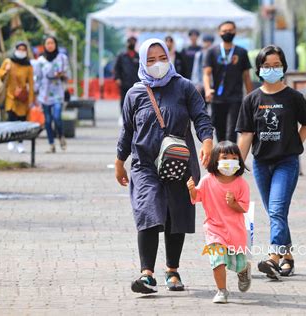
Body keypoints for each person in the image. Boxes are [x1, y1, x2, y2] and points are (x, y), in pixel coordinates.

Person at [115, 38, 213, 294]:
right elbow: (127, 131)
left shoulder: (184, 87)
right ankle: (146, 274)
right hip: (144, 163)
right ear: (142, 62)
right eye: (150, 59)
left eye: (161, 58)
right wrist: (119, 163)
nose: (157, 64)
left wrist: (207, 141)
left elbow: (201, 117)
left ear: (169, 58)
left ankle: (172, 270)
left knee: (174, 214)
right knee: (148, 210)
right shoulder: (134, 93)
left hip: (179, 161)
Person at [236, 45, 306, 279]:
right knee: (275, 214)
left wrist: (295, 145)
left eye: (276, 65)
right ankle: (288, 257)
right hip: (261, 164)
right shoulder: (252, 100)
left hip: (286, 163)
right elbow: (247, 135)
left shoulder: (294, 98)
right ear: (259, 69)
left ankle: (272, 258)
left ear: (283, 67)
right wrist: (236, 166)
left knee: (277, 210)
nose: (271, 69)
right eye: (267, 66)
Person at [187, 141, 251, 303]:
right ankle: (222, 291)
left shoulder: (241, 183)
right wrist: (192, 190)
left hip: (235, 231)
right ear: (216, 159)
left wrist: (233, 203)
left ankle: (244, 270)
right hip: (214, 230)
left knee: (238, 263)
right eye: (225, 157)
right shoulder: (208, 180)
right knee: (217, 261)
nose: (229, 161)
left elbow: (244, 208)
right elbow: (197, 198)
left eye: (234, 157)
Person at [203, 21, 253, 143]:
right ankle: (222, 158)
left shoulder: (241, 52)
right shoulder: (212, 52)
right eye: (224, 31)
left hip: (235, 98)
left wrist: (251, 96)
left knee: (232, 132)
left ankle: (232, 159)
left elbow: (246, 76)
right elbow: (207, 74)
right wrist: (208, 89)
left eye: (230, 30)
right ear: (219, 33)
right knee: (219, 131)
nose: (227, 33)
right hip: (217, 98)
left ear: (235, 31)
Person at [0, 42, 35, 154]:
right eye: (19, 49)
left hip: (22, 98)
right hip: (10, 95)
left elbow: (31, 84)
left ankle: (20, 143)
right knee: (11, 118)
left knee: (21, 121)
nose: (21, 51)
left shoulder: (28, 66)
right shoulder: (8, 61)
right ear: (15, 49)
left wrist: (31, 100)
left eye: (24, 49)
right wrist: (6, 70)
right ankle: (11, 140)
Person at [34, 36, 69, 153]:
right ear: (44, 45)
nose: (50, 45)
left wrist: (62, 75)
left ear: (56, 44)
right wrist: (34, 93)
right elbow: (37, 78)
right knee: (48, 121)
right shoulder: (40, 61)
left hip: (58, 92)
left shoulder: (62, 58)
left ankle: (61, 136)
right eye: (47, 43)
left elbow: (67, 74)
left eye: (52, 43)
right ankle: (51, 144)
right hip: (44, 94)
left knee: (57, 117)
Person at [114, 36, 140, 115]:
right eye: (130, 42)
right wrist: (117, 78)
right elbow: (116, 68)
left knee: (136, 101)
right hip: (124, 83)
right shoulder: (121, 56)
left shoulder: (138, 56)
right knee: (124, 100)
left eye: (133, 42)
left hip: (136, 83)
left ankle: (135, 116)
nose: (131, 43)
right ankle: (123, 116)